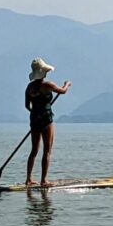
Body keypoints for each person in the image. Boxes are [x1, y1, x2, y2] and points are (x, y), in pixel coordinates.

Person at [25, 58, 71, 186]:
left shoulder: (29, 87)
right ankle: (43, 180)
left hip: (34, 120)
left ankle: (28, 179)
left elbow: (27, 106)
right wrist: (67, 84)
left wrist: (35, 113)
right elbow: (63, 91)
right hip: (46, 120)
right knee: (47, 150)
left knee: (34, 151)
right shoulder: (48, 85)